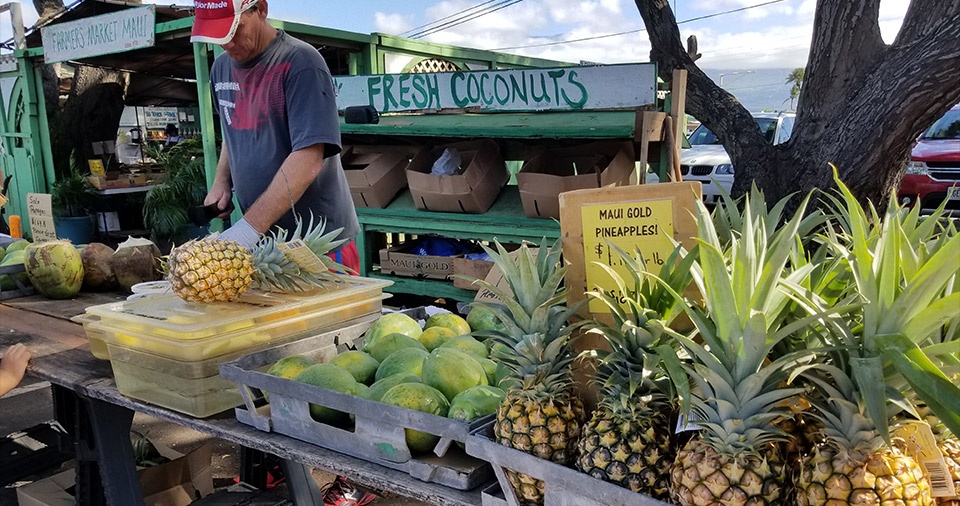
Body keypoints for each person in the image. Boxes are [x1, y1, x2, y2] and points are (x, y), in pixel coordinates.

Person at [190, 0, 360, 272]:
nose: (227, 43)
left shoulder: (301, 63)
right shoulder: (220, 69)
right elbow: (231, 125)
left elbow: (309, 158)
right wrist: (222, 180)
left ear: (261, 9)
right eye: (218, 36)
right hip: (262, 245)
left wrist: (246, 230)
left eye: (234, 30)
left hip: (317, 246)